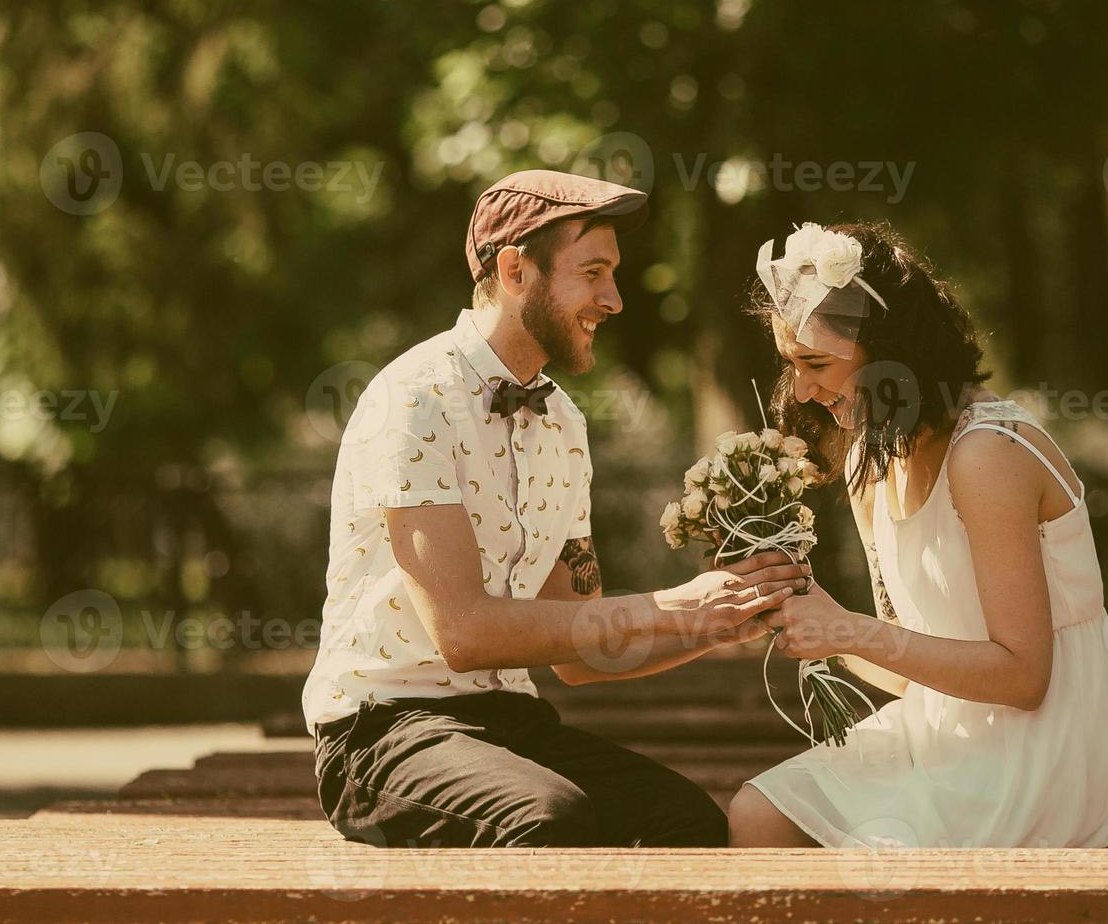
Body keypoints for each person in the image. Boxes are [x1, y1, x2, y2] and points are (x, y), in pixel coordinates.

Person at [302, 170, 805, 848]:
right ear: (514, 271)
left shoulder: (564, 423)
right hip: (382, 730)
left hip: (510, 723)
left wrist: (715, 625)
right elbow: (464, 631)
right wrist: (671, 606)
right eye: (592, 273)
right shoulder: (415, 399)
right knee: (546, 820)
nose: (615, 299)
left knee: (686, 823)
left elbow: (577, 653)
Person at [728, 220, 1108, 849]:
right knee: (757, 813)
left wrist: (849, 630)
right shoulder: (875, 454)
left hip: (1040, 753)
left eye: (816, 363)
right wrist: (806, 616)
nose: (804, 389)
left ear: (894, 353)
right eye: (793, 365)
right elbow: (907, 675)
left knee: (866, 847)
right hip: (946, 730)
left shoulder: (988, 454)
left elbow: (1023, 678)